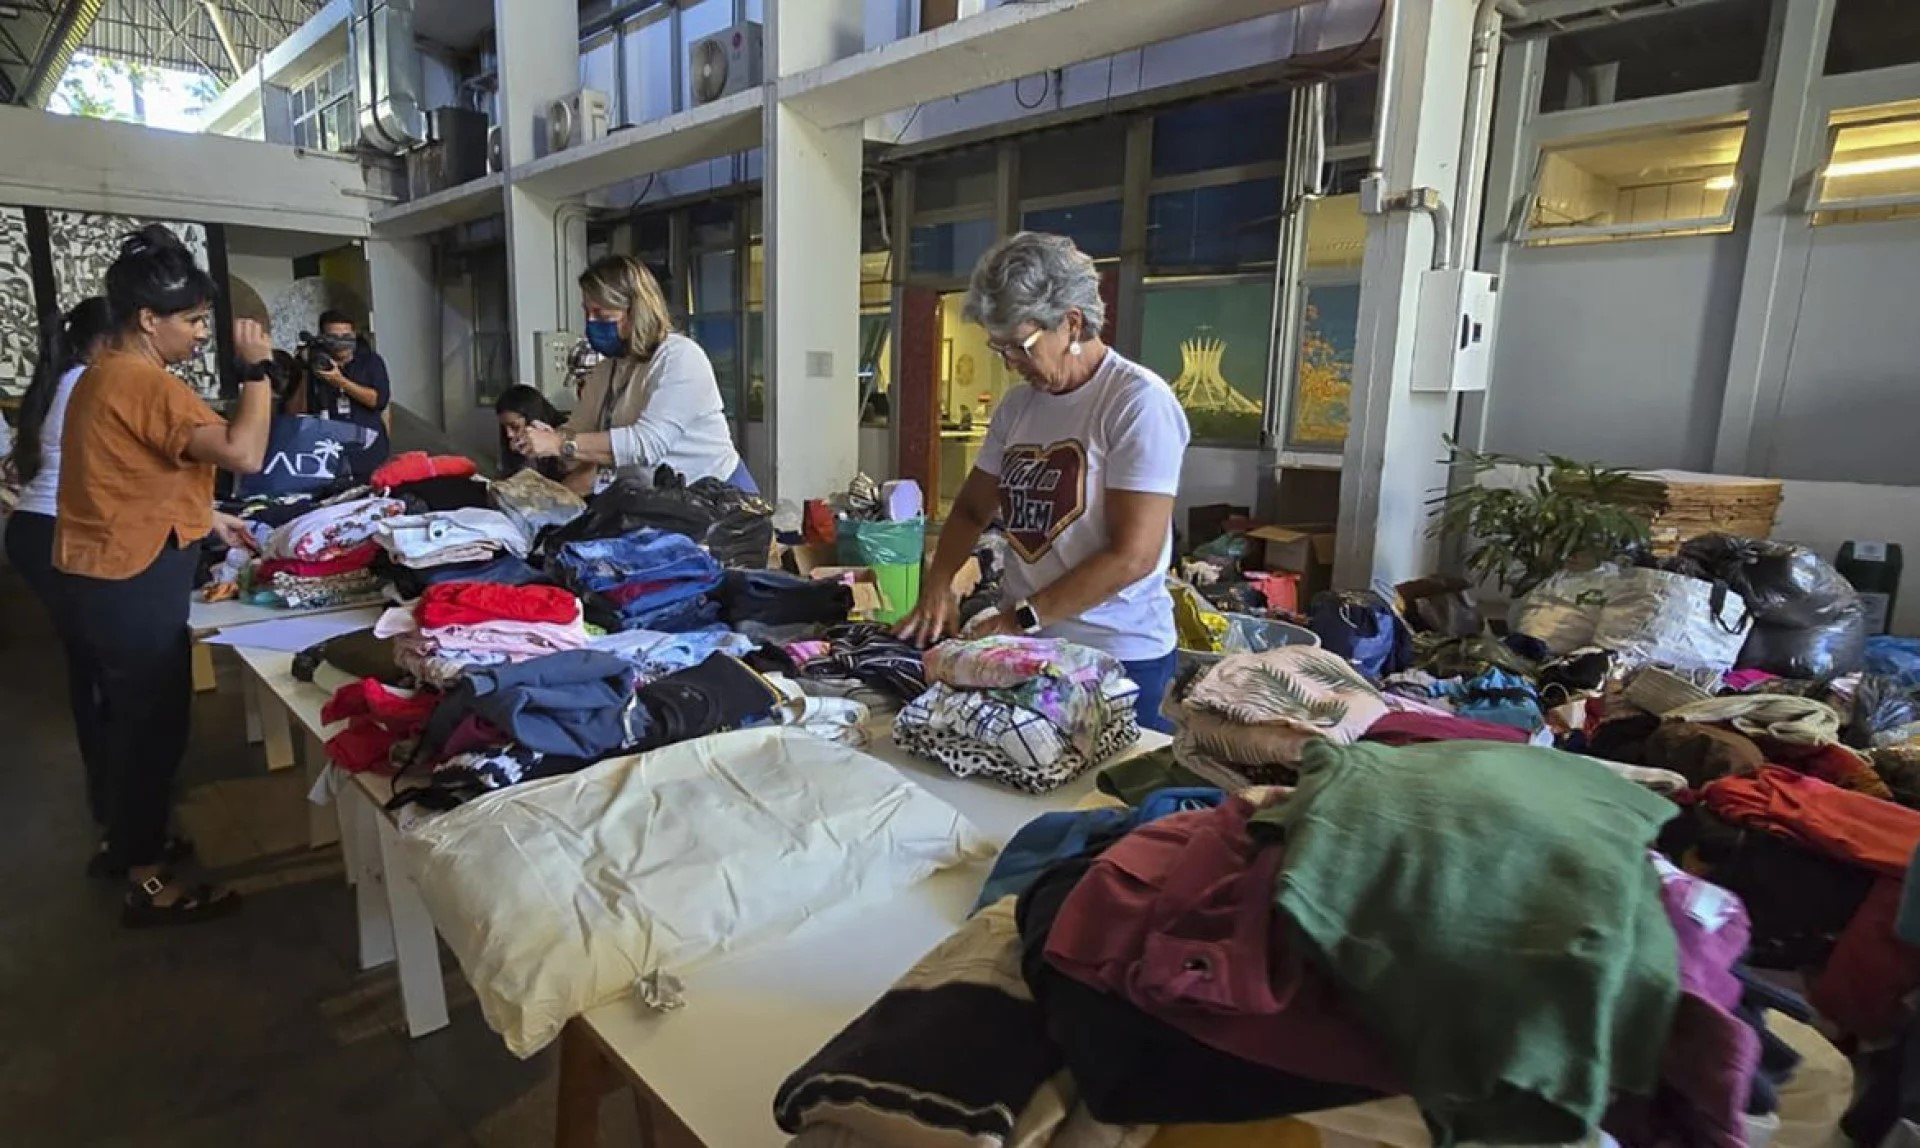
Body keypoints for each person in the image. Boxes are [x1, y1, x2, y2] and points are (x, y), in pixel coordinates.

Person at [53, 224, 278, 926]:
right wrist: (260, 371)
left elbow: (127, 477)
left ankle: (130, 843)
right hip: (134, 581)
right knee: (154, 727)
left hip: (100, 573)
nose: (201, 335)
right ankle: (151, 883)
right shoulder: (146, 383)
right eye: (191, 321)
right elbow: (243, 451)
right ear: (148, 321)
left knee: (127, 724)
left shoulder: (99, 377)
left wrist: (204, 517)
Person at [896, 232, 1190, 733]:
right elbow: (971, 510)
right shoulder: (1019, 407)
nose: (1011, 362)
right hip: (1030, 649)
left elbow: (1132, 556)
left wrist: (1017, 620)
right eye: (1000, 347)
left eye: (1020, 346)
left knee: (1102, 802)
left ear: (1072, 323)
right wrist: (939, 585)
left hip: (1115, 657)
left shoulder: (1135, 403)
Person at [3, 297, 115, 844]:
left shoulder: (66, 379)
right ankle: (118, 812)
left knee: (90, 665)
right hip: (56, 532)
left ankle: (112, 802)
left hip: (38, 528)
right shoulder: (88, 385)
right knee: (102, 669)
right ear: (109, 339)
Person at [510, 254, 754, 494]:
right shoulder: (608, 369)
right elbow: (581, 429)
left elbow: (646, 444)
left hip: (716, 498)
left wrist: (560, 444)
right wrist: (547, 436)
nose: (591, 323)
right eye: (587, 313)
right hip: (663, 499)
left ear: (636, 312)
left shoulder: (679, 358)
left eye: (602, 315)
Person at [287, 308, 391, 465]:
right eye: (333, 338)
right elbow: (294, 413)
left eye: (346, 337)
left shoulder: (370, 361)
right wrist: (305, 369)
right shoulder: (314, 364)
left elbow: (378, 400)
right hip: (325, 452)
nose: (341, 343)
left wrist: (340, 381)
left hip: (367, 450)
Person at [493, 384, 569, 482]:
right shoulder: (511, 444)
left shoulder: (563, 435)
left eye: (515, 427)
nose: (509, 434)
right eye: (504, 428)